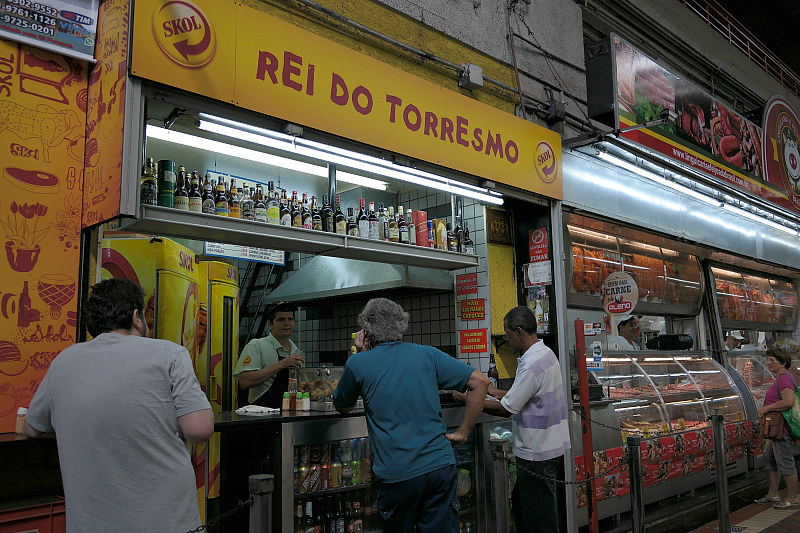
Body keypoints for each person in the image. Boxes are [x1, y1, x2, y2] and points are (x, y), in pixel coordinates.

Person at [24, 278, 214, 533]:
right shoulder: (169, 354)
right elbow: (199, 429)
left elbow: (33, 428)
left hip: (89, 523)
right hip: (164, 519)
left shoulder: (64, 360)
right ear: (137, 317)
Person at [332, 298, 489, 533]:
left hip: (398, 475)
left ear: (365, 331)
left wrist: (361, 353)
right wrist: (463, 432)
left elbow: (342, 405)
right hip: (440, 467)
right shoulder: (427, 354)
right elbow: (481, 382)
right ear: (401, 324)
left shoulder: (357, 363)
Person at [455, 306, 570, 533]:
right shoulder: (545, 354)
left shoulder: (531, 363)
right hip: (550, 447)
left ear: (519, 331)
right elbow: (528, 394)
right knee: (528, 508)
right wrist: (497, 392)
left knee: (538, 520)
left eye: (508, 335)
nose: (508, 341)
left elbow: (506, 410)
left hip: (537, 451)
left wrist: (469, 399)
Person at [234, 301, 305, 407]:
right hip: (262, 416)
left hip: (290, 415)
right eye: (281, 320)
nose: (286, 323)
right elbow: (244, 382)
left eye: (290, 319)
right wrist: (282, 364)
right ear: (270, 324)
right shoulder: (256, 345)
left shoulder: (296, 351)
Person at [755, 348, 800, 508]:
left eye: (772, 360)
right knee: (770, 460)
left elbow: (788, 401)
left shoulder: (785, 378)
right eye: (768, 360)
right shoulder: (781, 378)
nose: (768, 363)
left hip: (782, 428)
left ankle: (792, 498)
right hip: (775, 429)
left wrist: (767, 408)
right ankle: (773, 494)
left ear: (784, 363)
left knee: (785, 462)